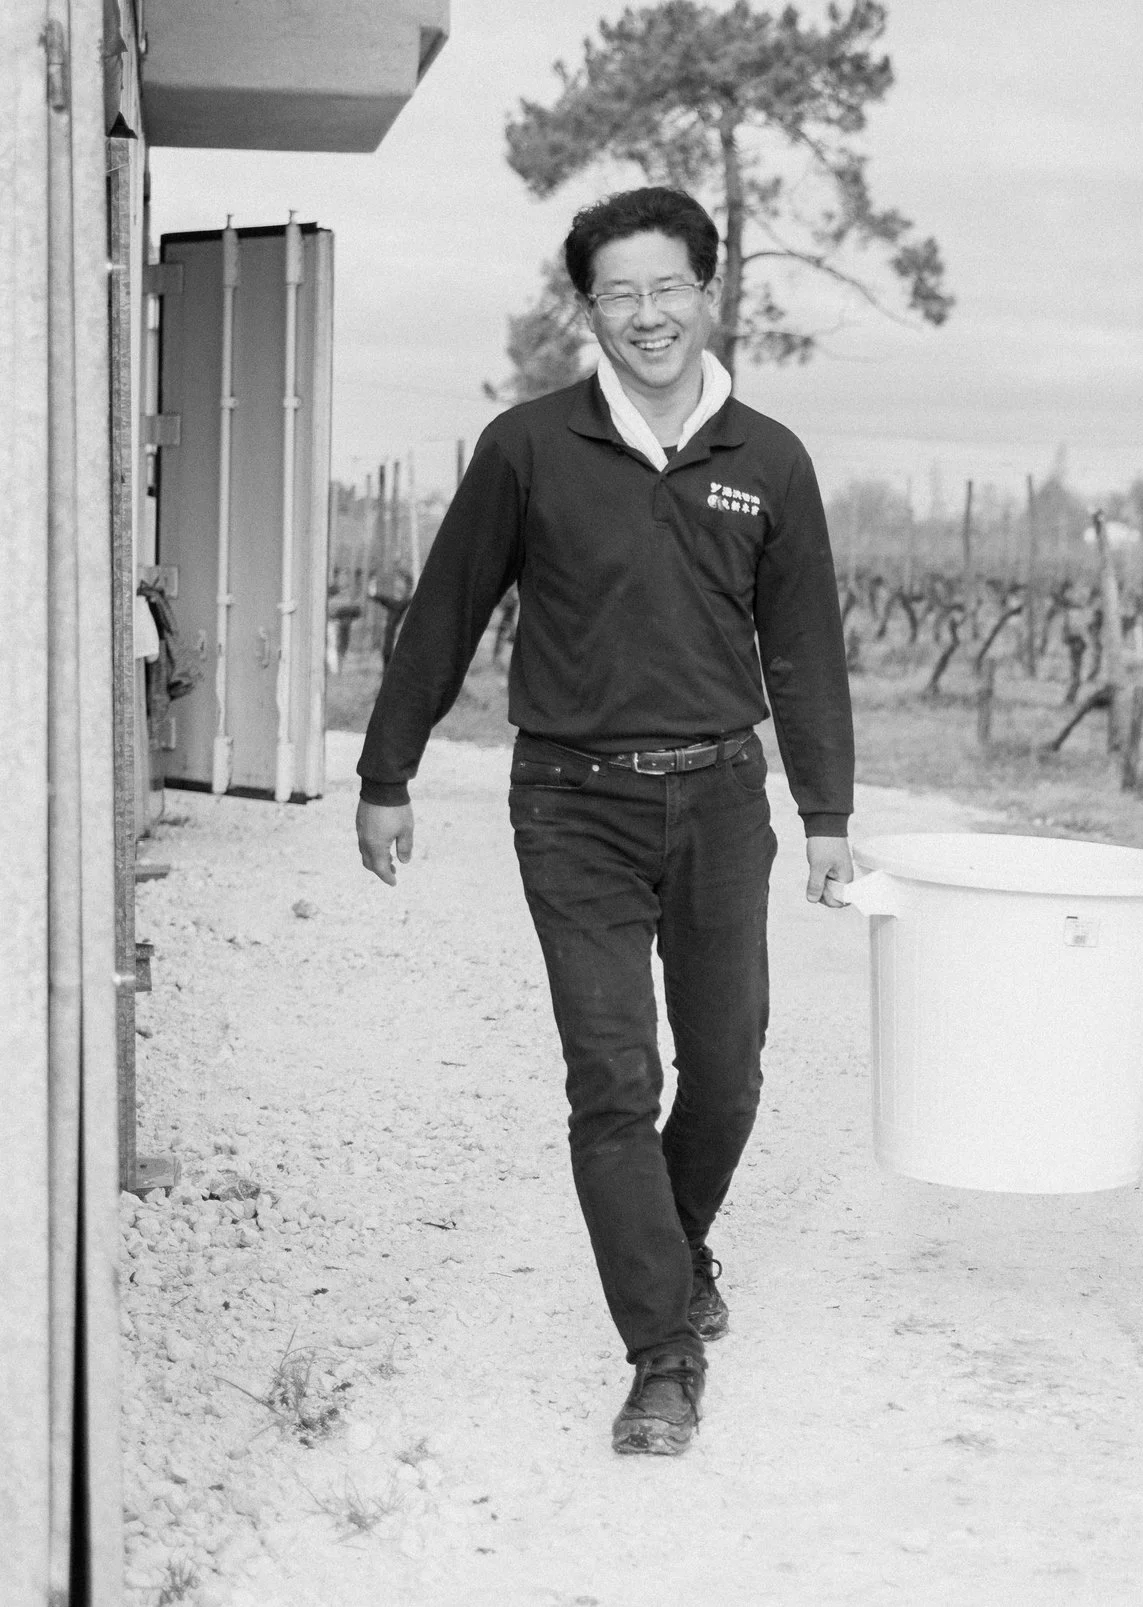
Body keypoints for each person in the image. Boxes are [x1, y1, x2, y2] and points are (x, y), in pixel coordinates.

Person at [352, 187, 856, 1454]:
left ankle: (673, 1248)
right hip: (570, 805)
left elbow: (804, 651)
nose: (647, 315)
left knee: (728, 1070)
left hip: (723, 801)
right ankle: (662, 1348)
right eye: (618, 293)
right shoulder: (527, 447)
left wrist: (830, 813)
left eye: (667, 287)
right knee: (614, 1078)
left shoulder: (769, 459)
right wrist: (386, 770)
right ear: (591, 309)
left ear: (707, 290)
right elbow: (448, 609)